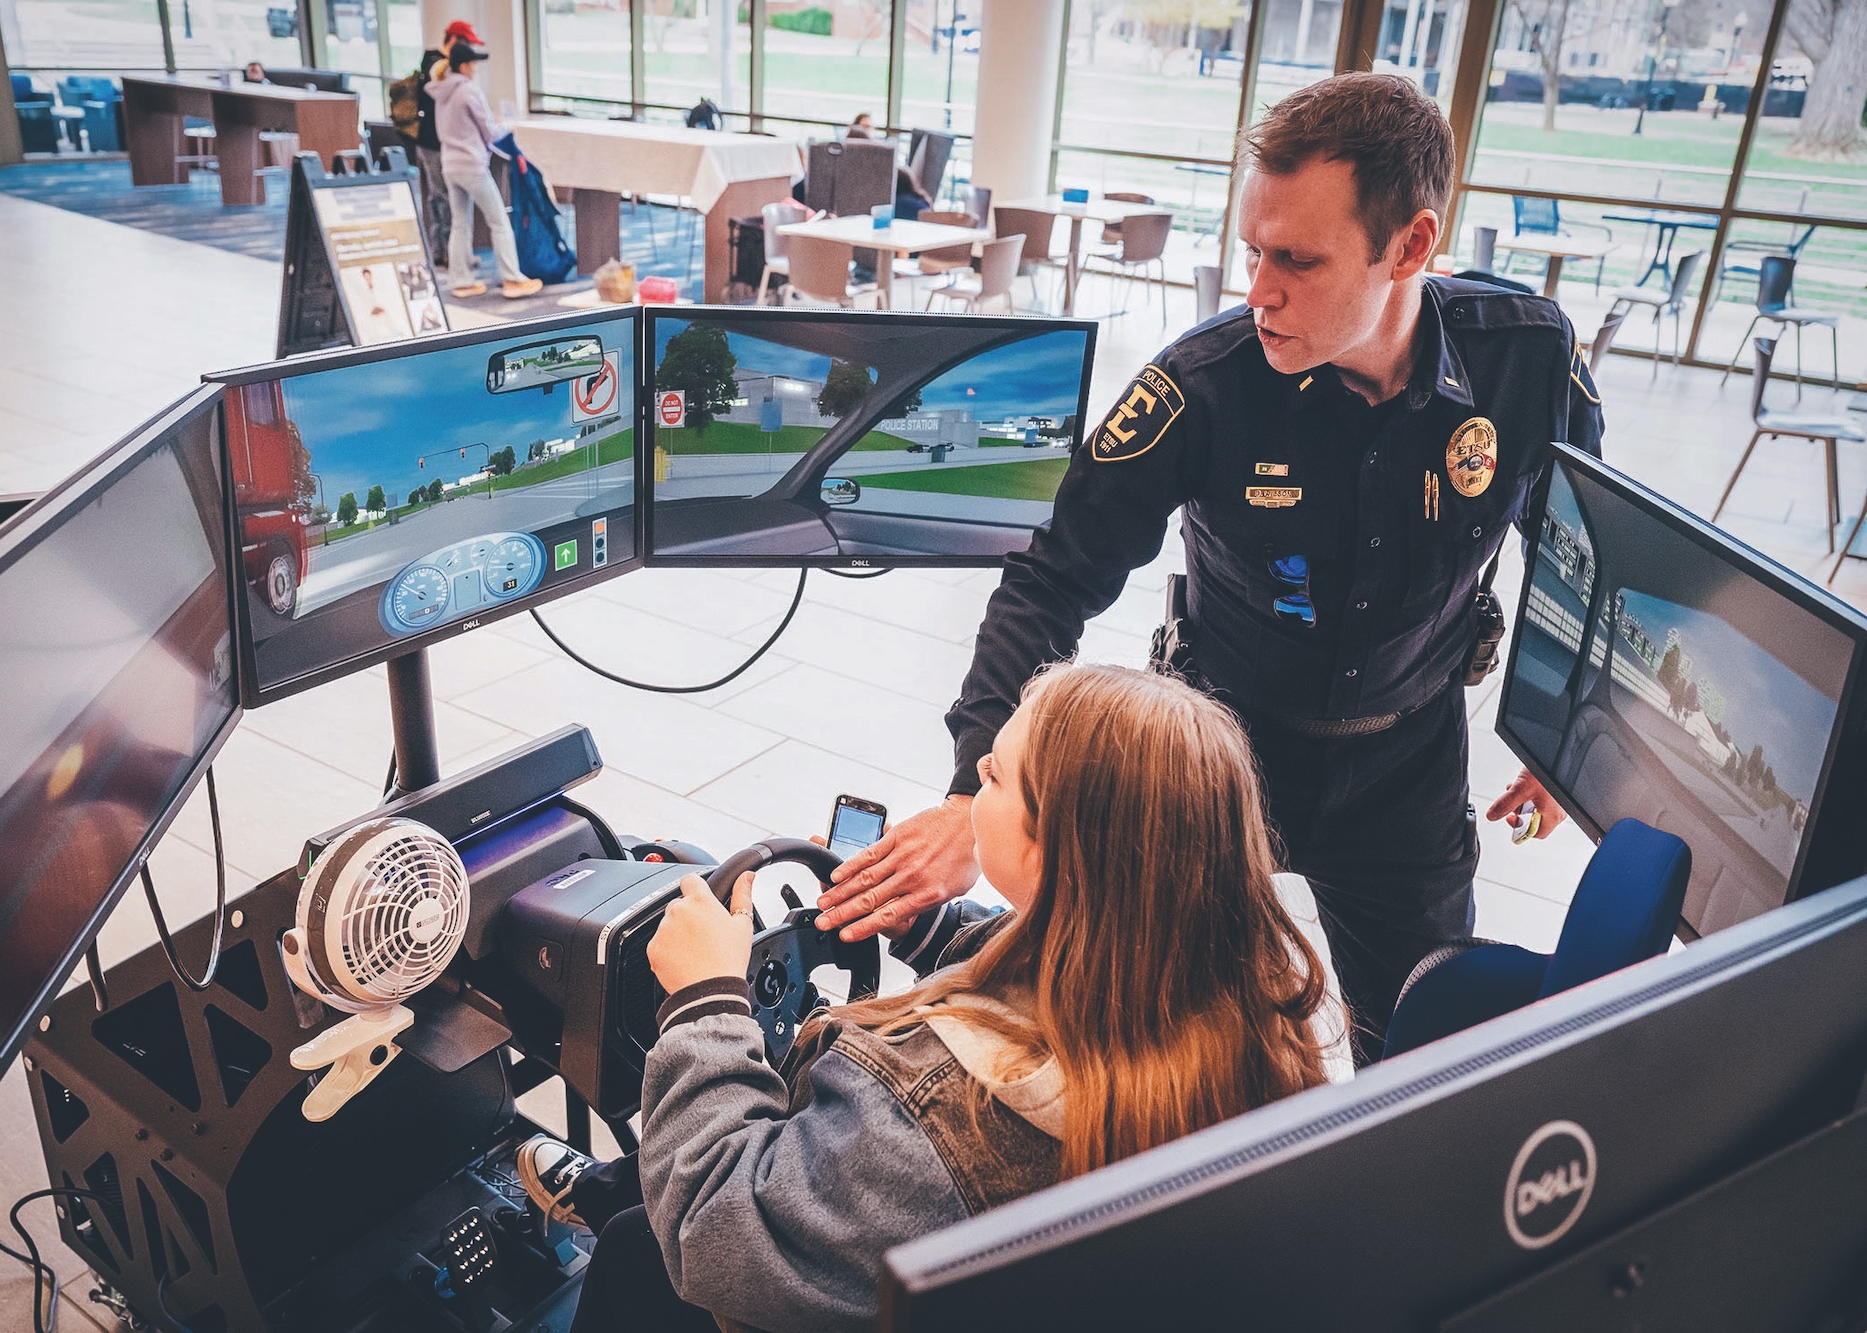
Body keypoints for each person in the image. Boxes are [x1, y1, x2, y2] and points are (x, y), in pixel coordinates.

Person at [812, 73, 1605, 1061]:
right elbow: (1053, 575)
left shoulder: (1520, 363)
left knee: (1422, 1051)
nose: (1257, 291)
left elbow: (1579, 555)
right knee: (1142, 1037)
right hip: (1212, 754)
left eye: (1297, 261)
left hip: (1405, 762)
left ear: (1409, 246)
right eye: (1250, 252)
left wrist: (1566, 726)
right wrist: (976, 786)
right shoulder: (1203, 385)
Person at [514, 662, 1348, 1333]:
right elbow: (1057, 967)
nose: (971, 786)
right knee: (630, 1217)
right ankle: (610, 1188)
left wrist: (707, 1000)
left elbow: (717, 1231)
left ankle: (611, 1198)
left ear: (1056, 852)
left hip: (757, 1239)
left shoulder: (938, 1115)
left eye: (992, 774)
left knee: (643, 1246)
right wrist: (924, 925)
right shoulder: (1249, 997)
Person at [424, 42, 541, 300]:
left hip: (450, 165)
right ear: (464, 65)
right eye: (473, 64)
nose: (475, 69)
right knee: (499, 221)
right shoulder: (468, 92)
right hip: (472, 166)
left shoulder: (441, 92)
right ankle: (512, 279)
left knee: (459, 224)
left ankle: (461, 282)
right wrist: (508, 127)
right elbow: (488, 131)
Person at [412, 19, 477, 267]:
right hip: (434, 143)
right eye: (466, 44)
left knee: (439, 197)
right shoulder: (438, 67)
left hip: (432, 141)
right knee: (445, 198)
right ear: (454, 40)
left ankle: (443, 251)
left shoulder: (430, 63)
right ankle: (450, 253)